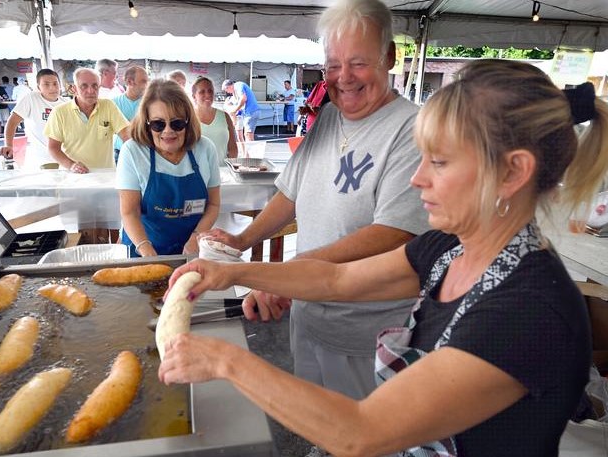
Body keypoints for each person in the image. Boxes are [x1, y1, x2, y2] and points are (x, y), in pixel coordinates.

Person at [160, 57, 608, 457]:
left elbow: (362, 432)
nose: (416, 178)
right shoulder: (449, 247)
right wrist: (230, 272)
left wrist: (226, 361)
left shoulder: (527, 310)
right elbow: (336, 280)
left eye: (439, 162)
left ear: (513, 171)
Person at [203, 4, 427, 456]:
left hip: (369, 333)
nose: (343, 78)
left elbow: (394, 233)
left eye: (358, 62)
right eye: (333, 65)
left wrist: (285, 274)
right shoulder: (328, 118)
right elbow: (290, 193)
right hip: (308, 317)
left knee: (366, 440)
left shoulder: (414, 130)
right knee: (320, 431)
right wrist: (243, 241)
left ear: (389, 57)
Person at [116, 79, 221, 257]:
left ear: (188, 121)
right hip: (142, 248)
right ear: (147, 122)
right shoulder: (133, 151)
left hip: (190, 251)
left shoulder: (205, 149)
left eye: (177, 123)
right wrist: (147, 253)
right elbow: (130, 212)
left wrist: (195, 238)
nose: (168, 131)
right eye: (158, 124)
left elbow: (213, 204)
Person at [44, 67, 130, 173]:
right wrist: (71, 165)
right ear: (75, 89)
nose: (90, 91)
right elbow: (53, 148)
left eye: (95, 86)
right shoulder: (59, 112)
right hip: (73, 176)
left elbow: (127, 136)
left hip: (105, 176)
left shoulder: (108, 106)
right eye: (84, 86)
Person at [0, 69, 69, 170]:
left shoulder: (66, 103)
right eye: (46, 84)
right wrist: (8, 145)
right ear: (38, 87)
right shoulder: (32, 99)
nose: (52, 88)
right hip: (43, 159)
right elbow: (12, 122)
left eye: (55, 83)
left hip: (65, 158)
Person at [191, 76, 238, 163]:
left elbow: (232, 147)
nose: (207, 95)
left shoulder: (225, 116)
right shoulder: (188, 119)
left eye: (210, 91)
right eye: (202, 92)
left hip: (222, 170)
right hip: (197, 171)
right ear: (194, 96)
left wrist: (231, 166)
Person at [112, 65, 149, 163]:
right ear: (129, 82)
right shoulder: (113, 103)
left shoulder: (150, 103)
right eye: (144, 81)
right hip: (120, 152)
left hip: (143, 152)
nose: (147, 85)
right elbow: (110, 128)